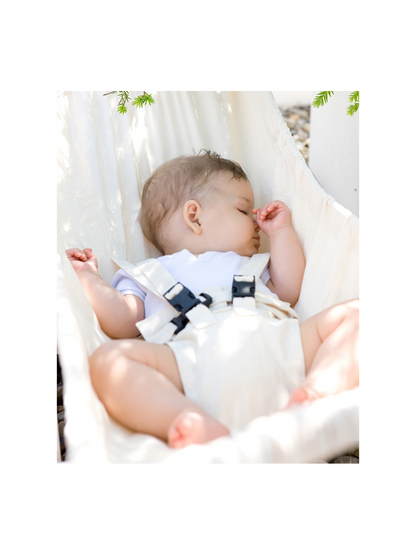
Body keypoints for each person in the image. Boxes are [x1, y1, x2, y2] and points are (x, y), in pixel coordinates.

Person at [66, 151, 362, 449]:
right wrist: (88, 276)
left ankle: (315, 393)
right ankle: (186, 419)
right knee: (107, 361)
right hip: (191, 364)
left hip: (277, 347)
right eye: (243, 210)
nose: (257, 221)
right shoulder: (149, 274)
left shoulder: (253, 265)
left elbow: (288, 289)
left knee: (356, 314)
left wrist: (282, 232)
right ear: (194, 216)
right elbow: (121, 322)